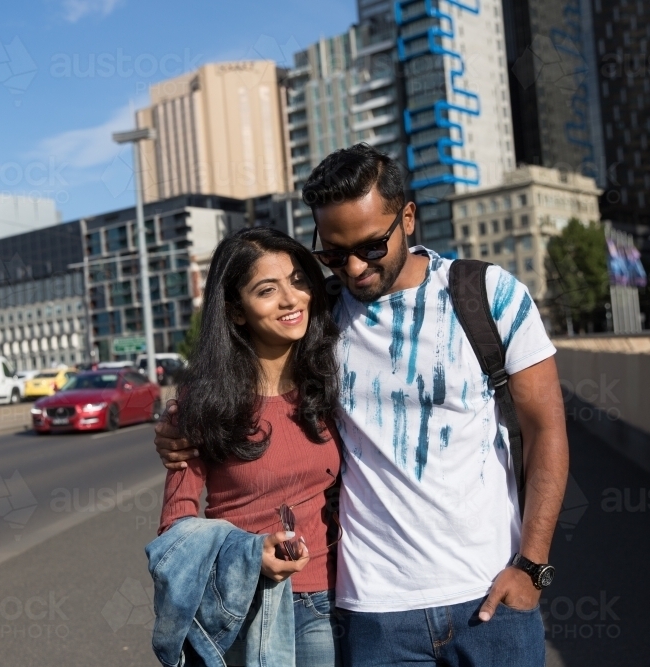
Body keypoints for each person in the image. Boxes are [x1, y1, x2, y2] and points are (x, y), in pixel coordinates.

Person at [156, 145, 569, 667]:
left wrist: (532, 569)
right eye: (332, 254)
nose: (353, 268)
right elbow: (253, 383)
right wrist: (180, 426)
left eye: (372, 248)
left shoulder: (487, 294)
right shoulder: (318, 317)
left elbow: (546, 430)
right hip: (374, 615)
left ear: (409, 219)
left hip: (489, 599)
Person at [156, 227, 344, 666]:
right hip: (242, 607)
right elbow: (173, 530)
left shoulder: (329, 382)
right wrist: (249, 554)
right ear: (236, 311)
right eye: (266, 290)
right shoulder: (203, 402)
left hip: (324, 598)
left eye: (298, 281)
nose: (291, 299)